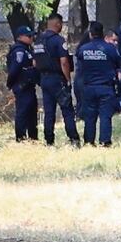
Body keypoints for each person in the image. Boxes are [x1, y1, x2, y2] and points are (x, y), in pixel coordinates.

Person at [33, 13, 81, 148]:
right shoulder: (58, 41)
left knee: (49, 112)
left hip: (44, 79)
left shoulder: (38, 40)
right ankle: (74, 140)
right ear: (58, 24)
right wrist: (67, 80)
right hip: (57, 79)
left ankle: (49, 141)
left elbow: (35, 63)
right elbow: (64, 62)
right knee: (67, 110)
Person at [76, 21, 121, 147]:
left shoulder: (83, 49)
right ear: (102, 33)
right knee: (105, 116)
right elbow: (118, 65)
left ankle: (88, 142)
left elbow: (79, 67)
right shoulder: (110, 49)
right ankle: (105, 142)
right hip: (105, 87)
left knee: (90, 117)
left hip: (89, 87)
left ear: (91, 34)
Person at [5, 26, 39, 142]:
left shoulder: (27, 49)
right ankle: (21, 139)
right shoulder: (19, 50)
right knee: (23, 113)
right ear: (20, 37)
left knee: (32, 114)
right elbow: (15, 69)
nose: (31, 38)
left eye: (32, 36)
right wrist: (11, 84)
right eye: (29, 36)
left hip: (30, 86)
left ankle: (33, 138)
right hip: (22, 86)